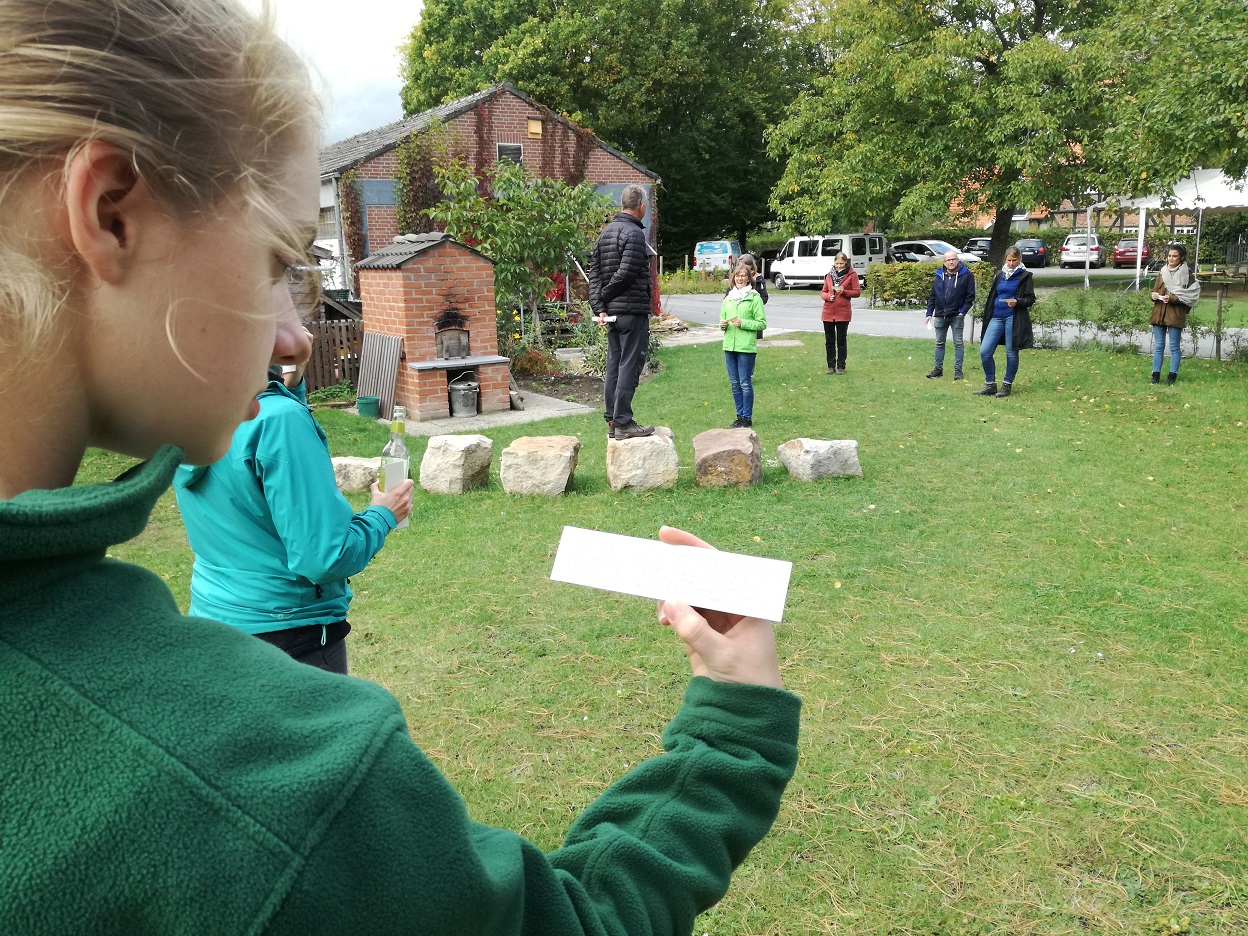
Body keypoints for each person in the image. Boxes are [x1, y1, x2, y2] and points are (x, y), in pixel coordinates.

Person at [0, 3, 800, 934]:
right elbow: (581, 922)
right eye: (276, 262)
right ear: (109, 212)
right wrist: (737, 713)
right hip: (295, 635)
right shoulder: (276, 780)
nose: (298, 331)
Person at [173, 313, 415, 674]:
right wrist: (382, 514)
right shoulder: (280, 421)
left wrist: (292, 378)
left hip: (215, 621)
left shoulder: (188, 408)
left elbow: (259, 424)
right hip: (289, 636)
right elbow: (323, 558)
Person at [590, 183, 656, 440]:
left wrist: (600, 307)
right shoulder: (635, 235)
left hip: (613, 314)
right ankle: (624, 423)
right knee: (629, 364)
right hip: (631, 313)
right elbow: (626, 273)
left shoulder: (604, 234)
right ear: (641, 206)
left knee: (614, 366)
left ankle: (612, 422)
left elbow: (594, 273)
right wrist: (604, 299)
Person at [975, 246, 1036, 398]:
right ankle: (990, 384)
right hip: (997, 316)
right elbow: (994, 295)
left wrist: (1017, 301)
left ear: (1019, 259)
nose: (1011, 264)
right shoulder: (1000, 274)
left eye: (1014, 260)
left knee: (1011, 351)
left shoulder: (1025, 276)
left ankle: (1007, 385)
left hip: (1013, 317)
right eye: (1008, 260)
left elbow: (1030, 299)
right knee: (985, 351)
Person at [719, 256, 768, 428]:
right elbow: (722, 321)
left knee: (745, 383)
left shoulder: (754, 298)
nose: (740, 279)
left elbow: (762, 323)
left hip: (745, 346)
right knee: (734, 384)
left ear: (749, 278)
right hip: (729, 346)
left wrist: (744, 323)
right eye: (737, 276)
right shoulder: (728, 298)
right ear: (733, 279)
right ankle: (739, 416)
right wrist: (723, 325)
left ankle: (747, 417)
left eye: (743, 276)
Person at [1149, 244, 1201, 385]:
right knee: (1159, 346)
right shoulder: (1162, 272)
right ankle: (1155, 376)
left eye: (1175, 256)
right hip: (1159, 313)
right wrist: (1154, 295)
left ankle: (1172, 377)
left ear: (1182, 257)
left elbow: (1190, 297)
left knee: (1174, 347)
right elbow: (1155, 289)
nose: (1171, 259)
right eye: (1169, 256)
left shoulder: (1188, 275)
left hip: (1175, 314)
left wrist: (1172, 299)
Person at [924, 250, 976, 380]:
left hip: (957, 315)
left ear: (958, 260)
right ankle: (938, 369)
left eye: (953, 259)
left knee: (958, 343)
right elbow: (933, 296)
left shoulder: (966, 275)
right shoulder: (939, 275)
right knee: (939, 343)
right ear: (944, 262)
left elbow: (970, 296)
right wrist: (929, 313)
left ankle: (958, 371)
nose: (951, 262)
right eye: (948, 260)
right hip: (940, 314)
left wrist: (962, 312)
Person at [819, 252, 860, 374]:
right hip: (828, 312)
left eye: (841, 263)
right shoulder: (829, 275)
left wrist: (845, 292)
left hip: (843, 312)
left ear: (846, 262)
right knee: (829, 341)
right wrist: (828, 296)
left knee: (841, 341)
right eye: (837, 263)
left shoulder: (852, 274)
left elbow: (857, 292)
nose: (839, 266)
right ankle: (831, 366)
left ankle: (841, 366)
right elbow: (823, 292)